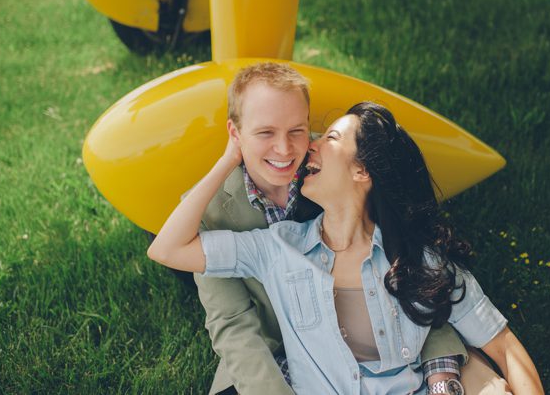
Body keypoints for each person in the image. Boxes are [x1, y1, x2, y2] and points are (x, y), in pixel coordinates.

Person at [149, 99, 544, 394]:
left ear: (362, 170)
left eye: (331, 138)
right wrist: (228, 158)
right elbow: (166, 249)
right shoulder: (278, 249)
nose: (311, 147)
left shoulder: (419, 264)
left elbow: (506, 346)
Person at [187, 63, 472, 395]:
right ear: (235, 134)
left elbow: (407, 258)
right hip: (268, 353)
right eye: (266, 132)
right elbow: (232, 322)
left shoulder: (333, 163)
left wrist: (441, 365)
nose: (284, 148)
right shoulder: (211, 212)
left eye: (297, 130)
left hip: (362, 342)